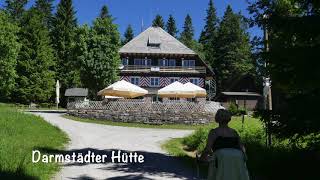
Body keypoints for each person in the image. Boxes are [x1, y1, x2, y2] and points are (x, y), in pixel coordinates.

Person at [200, 109, 250, 180]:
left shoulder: (214, 132)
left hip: (222, 157)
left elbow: (208, 149)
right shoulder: (234, 132)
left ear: (217, 118)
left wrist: (202, 158)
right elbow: (241, 146)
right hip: (237, 157)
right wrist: (244, 156)